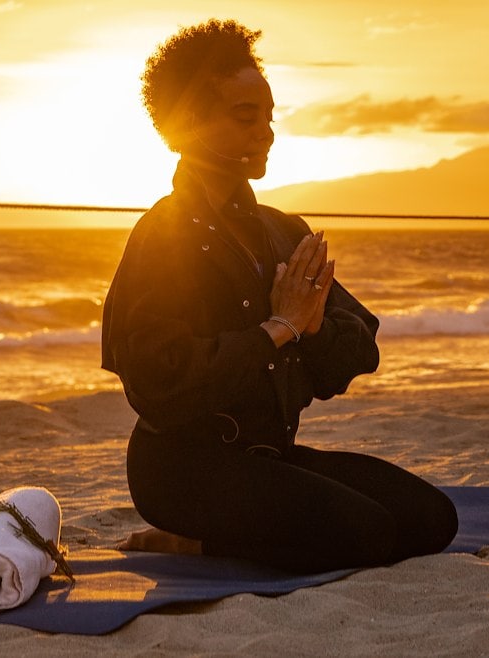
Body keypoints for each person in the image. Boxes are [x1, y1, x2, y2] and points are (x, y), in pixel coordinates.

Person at [100, 19, 458, 573]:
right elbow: (157, 382)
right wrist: (276, 330)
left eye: (269, 117)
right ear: (189, 122)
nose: (265, 133)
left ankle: (238, 526)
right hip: (181, 472)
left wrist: (310, 327)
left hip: (269, 460)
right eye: (246, 117)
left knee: (432, 519)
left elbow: (360, 350)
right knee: (366, 534)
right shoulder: (163, 235)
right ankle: (187, 541)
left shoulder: (283, 230)